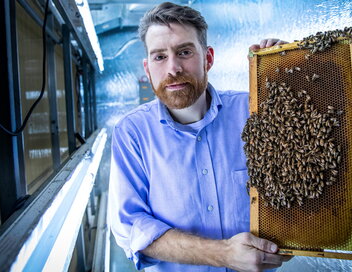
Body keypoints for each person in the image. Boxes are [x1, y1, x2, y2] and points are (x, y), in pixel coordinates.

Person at [108, 2, 290, 271]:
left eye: (184, 52)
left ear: (208, 58)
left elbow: (319, 149)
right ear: (147, 70)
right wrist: (224, 253)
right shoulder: (132, 133)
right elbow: (130, 226)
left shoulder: (254, 111)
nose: (173, 68)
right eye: (160, 57)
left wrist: (295, 69)